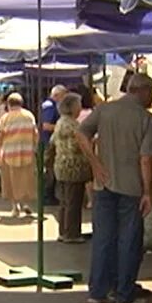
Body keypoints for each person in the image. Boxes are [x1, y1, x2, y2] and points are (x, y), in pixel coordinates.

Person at [79, 73, 152, 303]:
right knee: (129, 240)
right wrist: (148, 191)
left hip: (103, 185)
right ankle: (124, 293)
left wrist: (95, 162)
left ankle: (97, 291)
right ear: (143, 91)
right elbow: (146, 160)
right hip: (132, 187)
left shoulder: (105, 110)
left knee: (103, 237)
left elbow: (81, 133)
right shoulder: (146, 119)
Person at [50, 92, 91, 243]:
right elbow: (76, 146)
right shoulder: (72, 125)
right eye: (78, 105)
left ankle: (63, 231)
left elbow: (52, 143)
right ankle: (72, 233)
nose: (80, 108)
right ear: (72, 107)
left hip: (61, 165)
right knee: (73, 201)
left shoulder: (61, 122)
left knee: (65, 201)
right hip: (73, 167)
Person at [0, 93, 38, 218]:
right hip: (27, 153)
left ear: (8, 104)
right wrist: (35, 148)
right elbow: (35, 134)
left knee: (10, 182)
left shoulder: (5, 118)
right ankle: (26, 204)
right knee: (26, 180)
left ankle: (15, 207)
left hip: (9, 154)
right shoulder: (29, 116)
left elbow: (0, 137)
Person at [41, 85, 69, 204]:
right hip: (48, 143)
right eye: (63, 96)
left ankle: (49, 195)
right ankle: (48, 196)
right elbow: (46, 125)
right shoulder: (50, 106)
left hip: (49, 142)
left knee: (50, 169)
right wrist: (62, 127)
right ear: (57, 95)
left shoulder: (48, 105)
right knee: (50, 169)